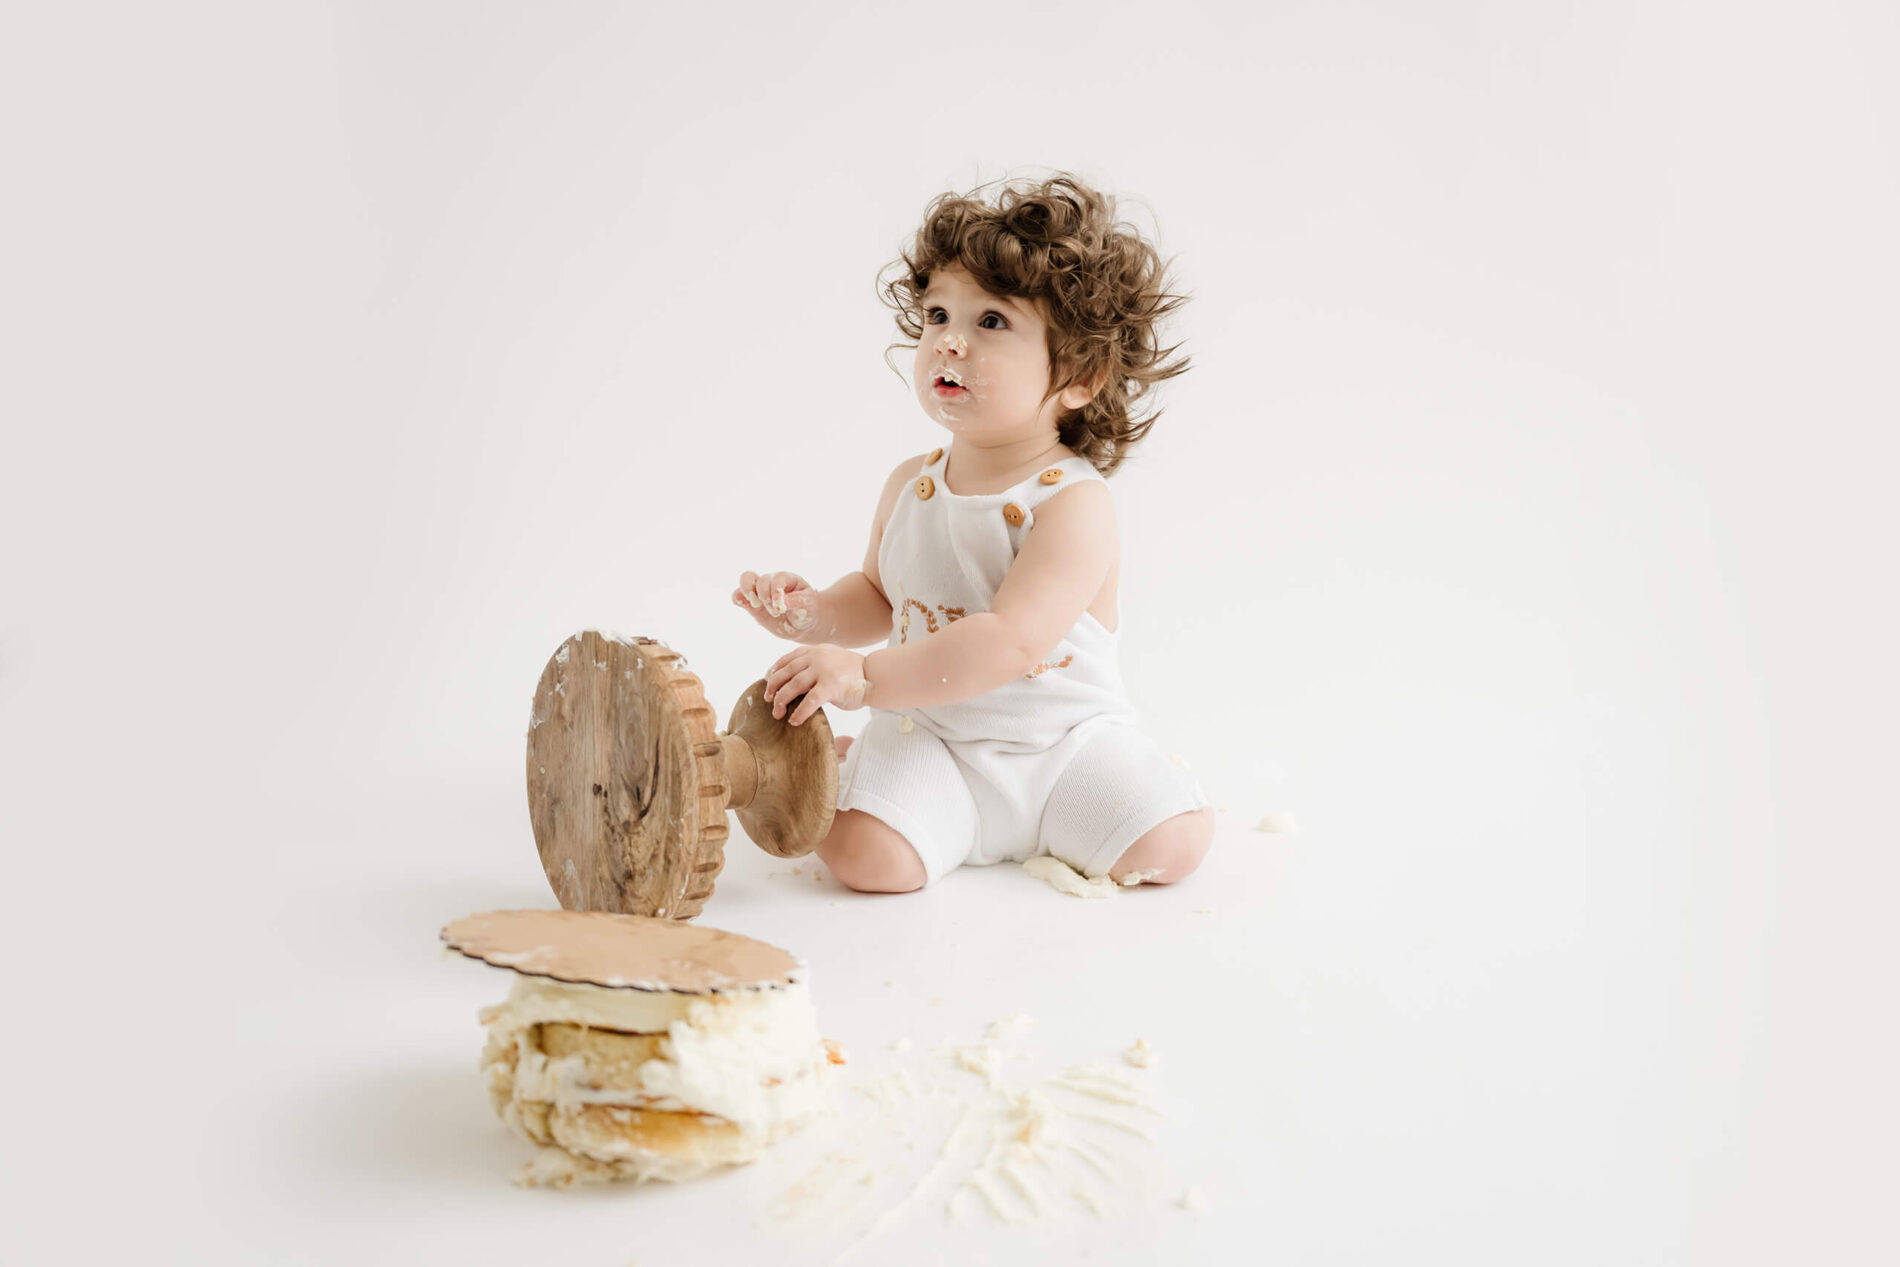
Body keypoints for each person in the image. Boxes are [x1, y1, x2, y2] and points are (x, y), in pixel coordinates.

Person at [732, 172, 1214, 894]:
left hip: (1062, 747)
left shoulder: (1073, 504)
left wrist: (863, 677)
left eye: (990, 322)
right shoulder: (910, 485)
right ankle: (848, 768)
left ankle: (1067, 811)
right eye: (936, 317)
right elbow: (878, 593)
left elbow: (1010, 641)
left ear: (1080, 374)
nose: (949, 343)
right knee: (867, 860)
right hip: (935, 738)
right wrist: (817, 614)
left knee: (1173, 842)